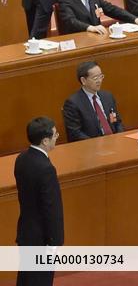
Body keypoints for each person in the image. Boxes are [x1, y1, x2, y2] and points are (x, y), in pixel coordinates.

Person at [14, 117, 63, 286]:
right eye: (55, 134)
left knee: (26, 279)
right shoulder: (46, 169)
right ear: (45, 140)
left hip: (26, 233)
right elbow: (51, 209)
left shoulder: (21, 158)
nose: (58, 136)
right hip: (41, 239)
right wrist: (55, 241)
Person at [62, 61, 126, 141]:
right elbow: (75, 133)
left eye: (101, 76)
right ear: (83, 80)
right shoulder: (73, 103)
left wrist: (119, 137)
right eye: (95, 78)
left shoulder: (107, 96)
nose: (99, 80)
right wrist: (96, 144)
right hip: (91, 147)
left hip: (114, 141)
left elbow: (117, 122)